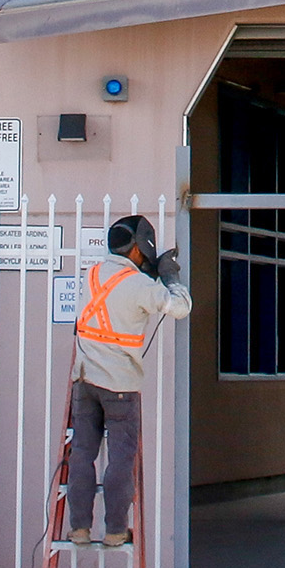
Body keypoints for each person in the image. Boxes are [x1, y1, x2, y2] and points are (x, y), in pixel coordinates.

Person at [64, 214, 189, 549]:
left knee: (82, 453)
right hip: (120, 386)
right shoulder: (139, 286)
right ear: (137, 249)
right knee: (121, 457)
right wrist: (169, 276)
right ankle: (116, 530)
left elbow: (114, 296)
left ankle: (79, 528)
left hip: (84, 380)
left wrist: (144, 276)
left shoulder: (92, 274)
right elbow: (180, 307)